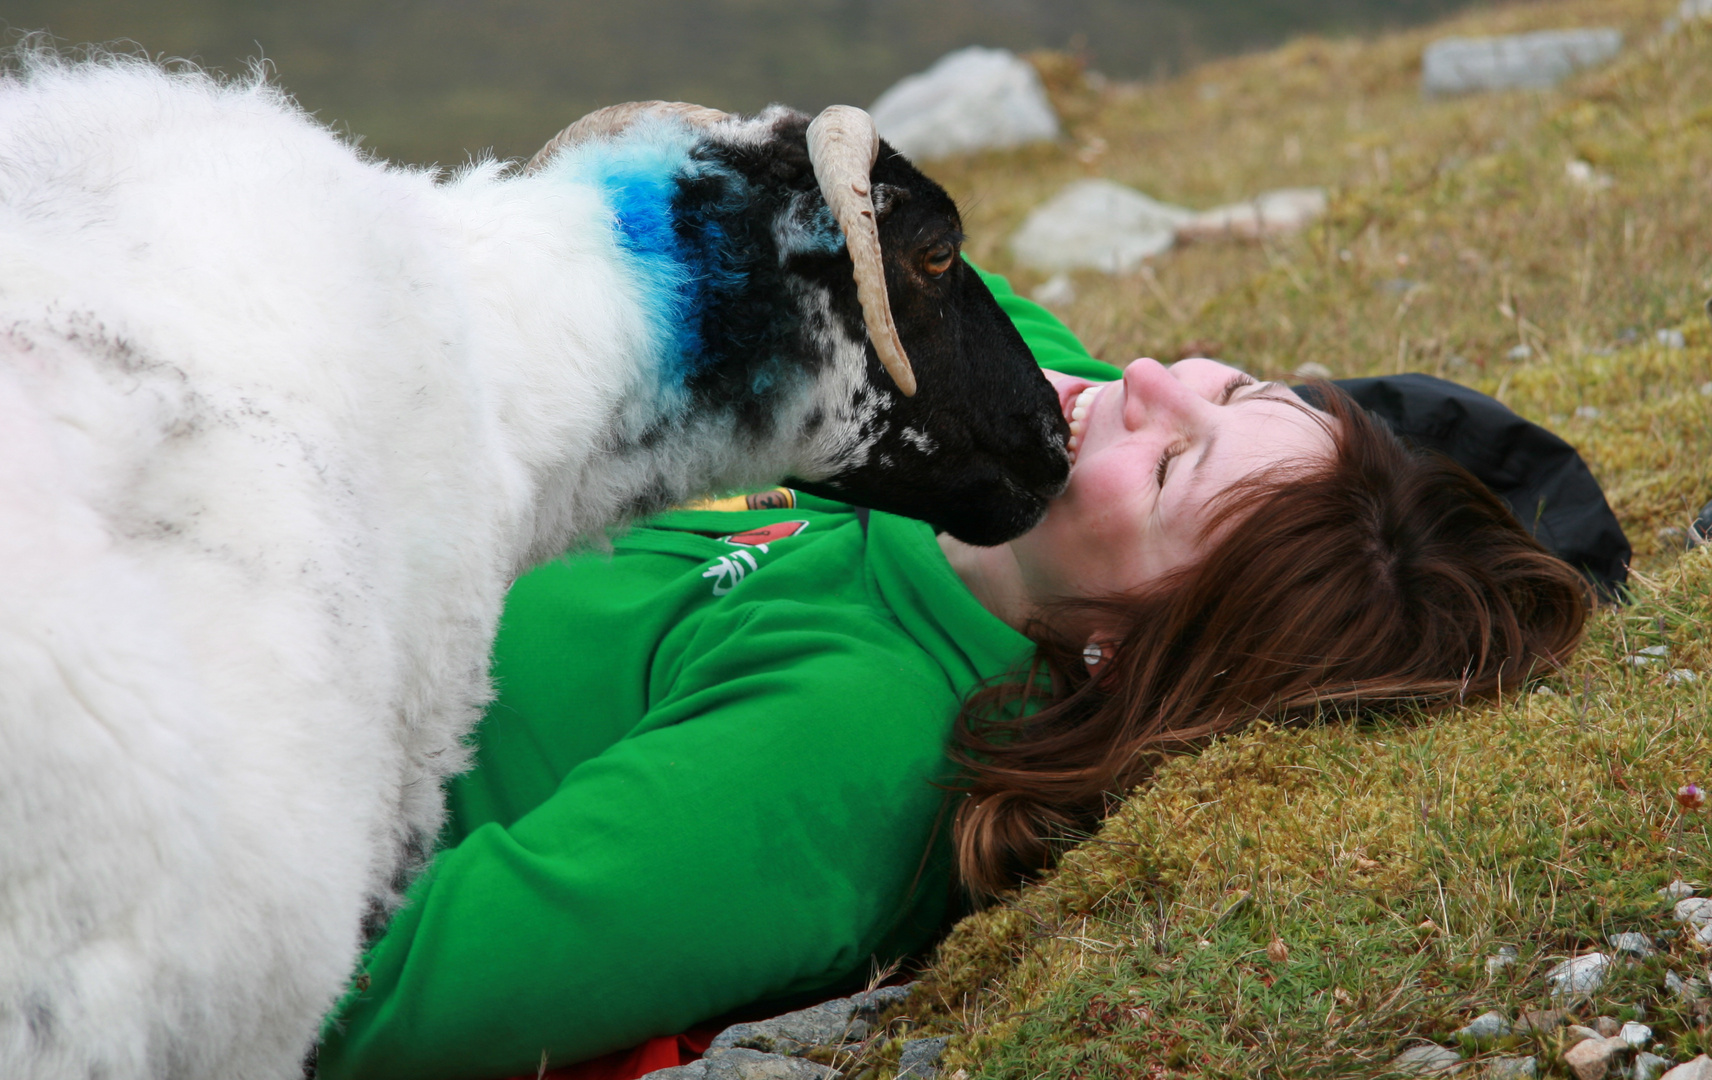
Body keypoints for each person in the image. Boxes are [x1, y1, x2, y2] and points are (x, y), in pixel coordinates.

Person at [314, 269, 1592, 1080]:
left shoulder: (840, 750)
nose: (1142, 380)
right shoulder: (1022, 432)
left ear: (1124, 649)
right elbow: (856, 238)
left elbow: (351, 1006)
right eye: (1228, 387)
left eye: (1165, 466)